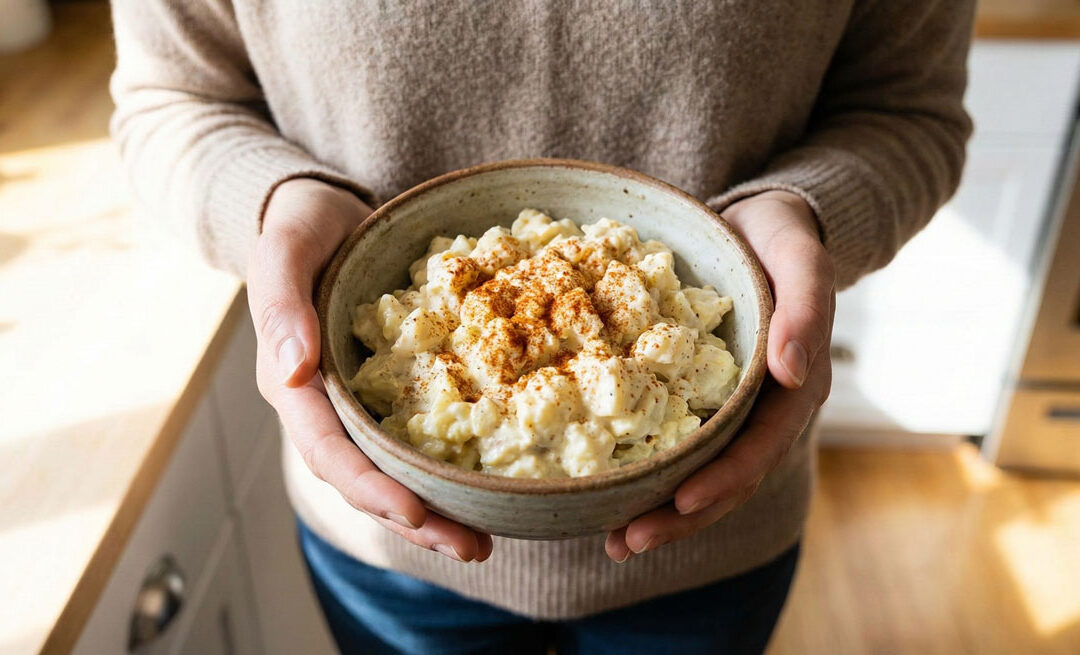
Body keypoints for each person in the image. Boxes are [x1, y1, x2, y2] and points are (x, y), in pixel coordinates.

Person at [110, 1, 973, 653]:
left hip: (713, 537)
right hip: (390, 540)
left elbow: (908, 111)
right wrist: (280, 206)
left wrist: (803, 213)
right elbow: (168, 99)